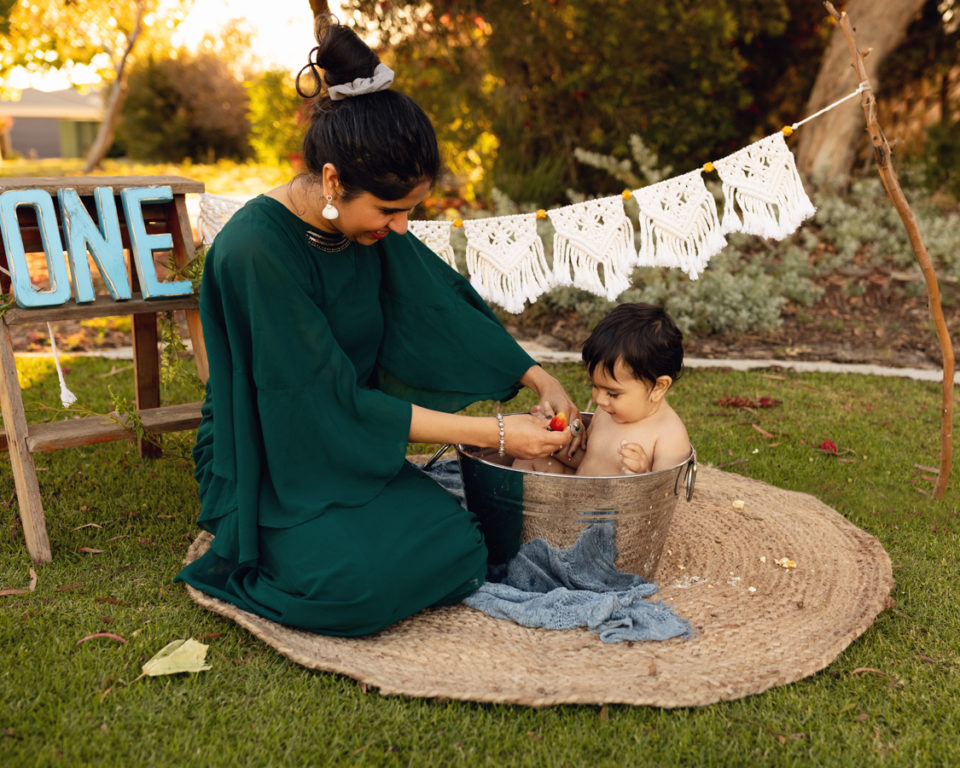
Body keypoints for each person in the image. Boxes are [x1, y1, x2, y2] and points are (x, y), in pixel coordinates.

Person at [174, 17, 583, 637]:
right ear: (334, 179)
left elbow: (436, 304)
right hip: (271, 450)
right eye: (391, 210)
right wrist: (498, 433)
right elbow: (319, 404)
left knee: (463, 547)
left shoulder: (361, 224)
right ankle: (250, 553)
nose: (398, 228)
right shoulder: (256, 251)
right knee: (356, 589)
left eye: (410, 211)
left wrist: (536, 376)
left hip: (349, 445)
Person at [514, 302, 691, 476]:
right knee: (529, 459)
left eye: (612, 393)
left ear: (659, 387)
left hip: (618, 503)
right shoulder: (607, 412)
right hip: (580, 492)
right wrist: (555, 439)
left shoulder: (669, 435)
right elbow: (587, 462)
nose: (599, 399)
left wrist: (643, 475)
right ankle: (512, 501)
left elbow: (665, 492)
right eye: (595, 386)